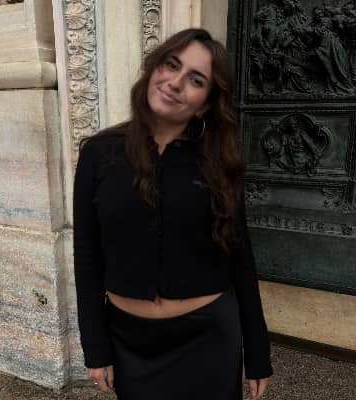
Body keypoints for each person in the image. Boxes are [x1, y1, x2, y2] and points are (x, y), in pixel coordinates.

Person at [73, 28, 273, 400]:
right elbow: (87, 255)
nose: (176, 82)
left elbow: (240, 256)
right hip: (129, 344)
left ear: (206, 104)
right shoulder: (99, 154)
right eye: (171, 65)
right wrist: (95, 347)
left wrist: (258, 351)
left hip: (208, 341)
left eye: (196, 80)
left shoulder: (219, 163)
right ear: (154, 68)